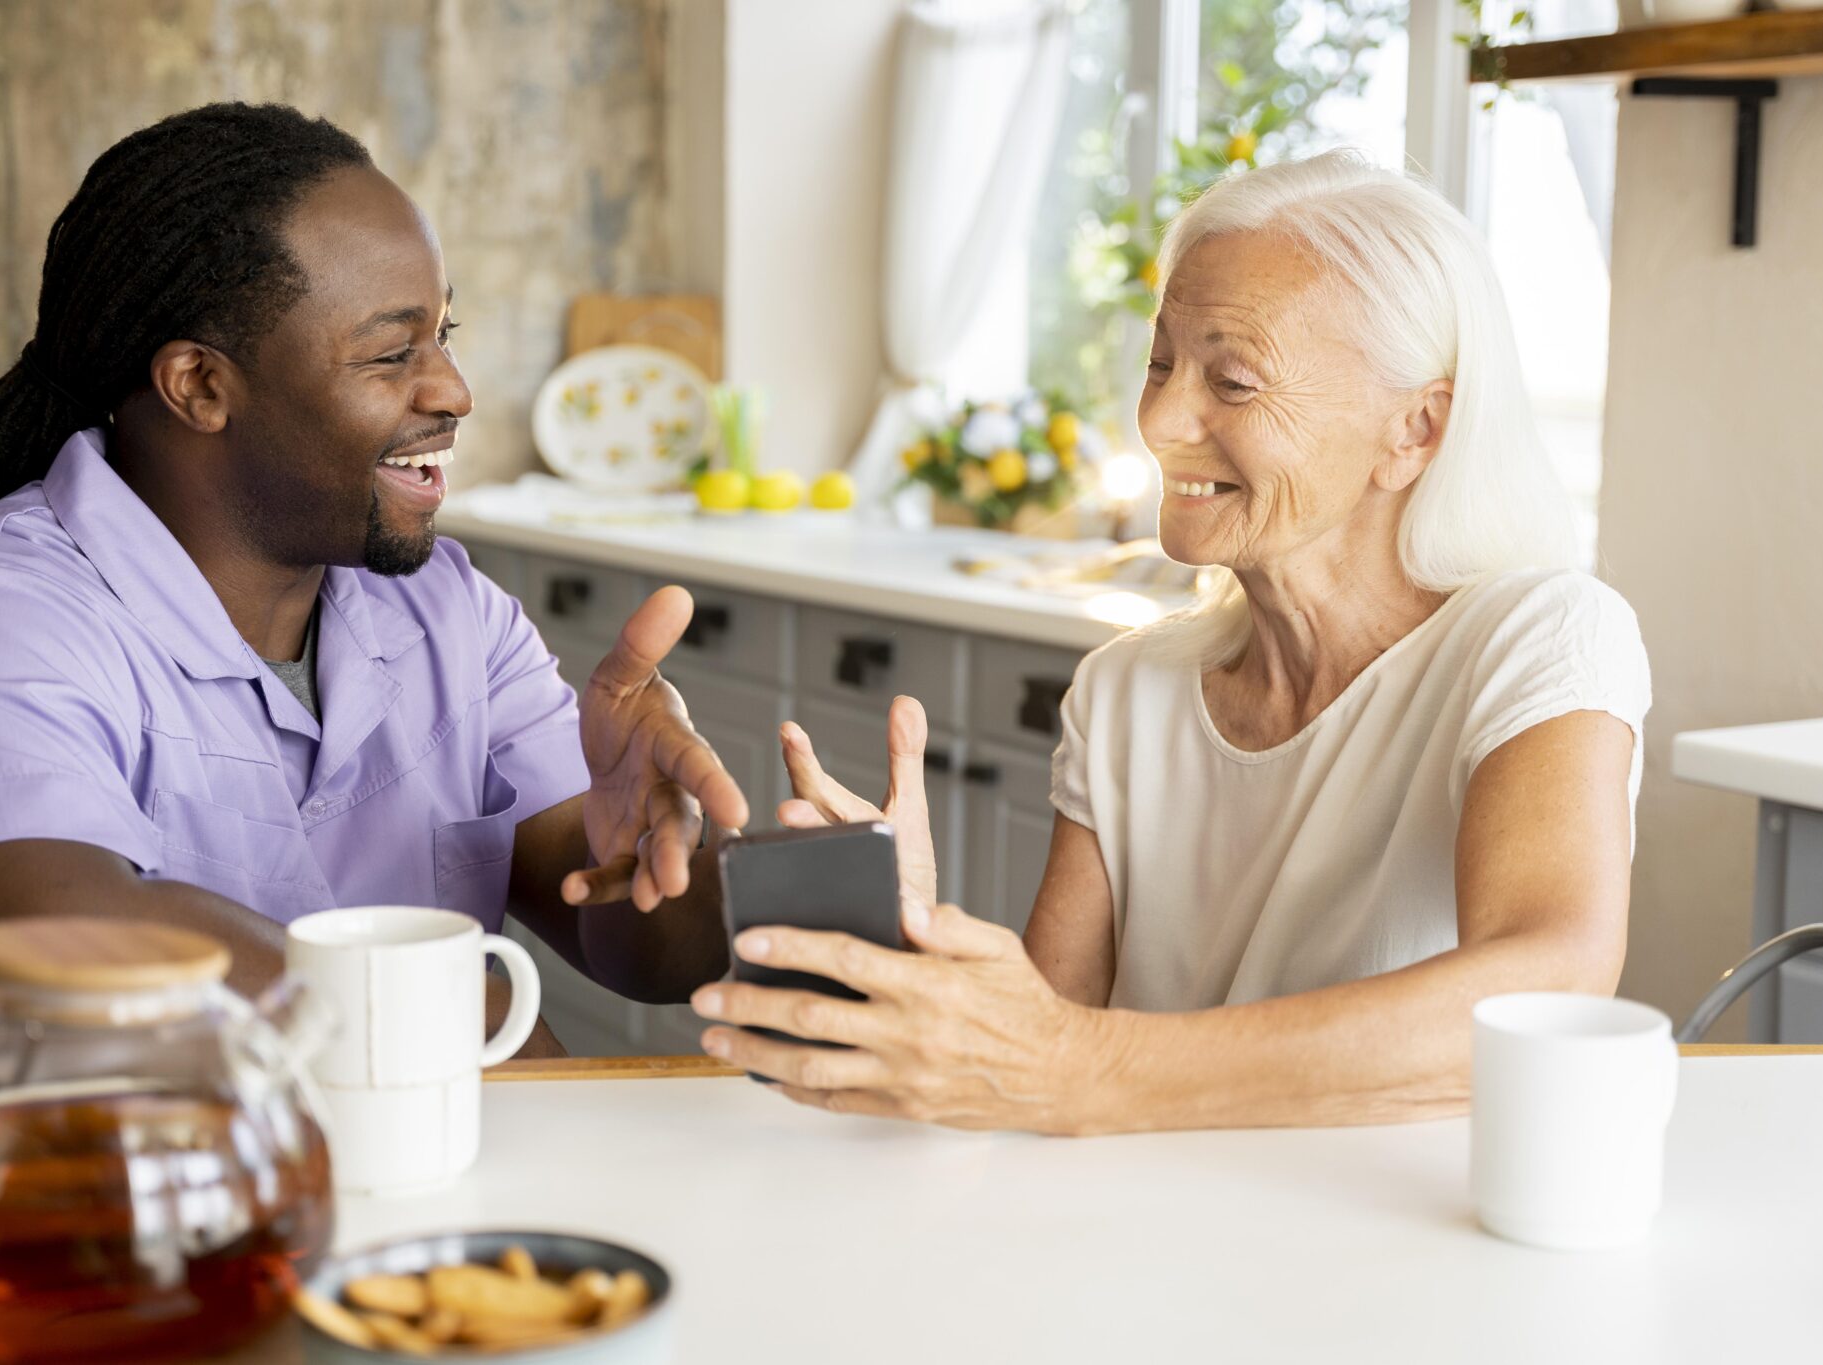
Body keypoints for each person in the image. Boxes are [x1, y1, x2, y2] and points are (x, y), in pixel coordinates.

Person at [689, 152, 1652, 1133]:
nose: (1157, 420)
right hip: (1136, 1247)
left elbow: (1549, 984)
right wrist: (923, 956)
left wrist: (1079, 1066)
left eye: (1230, 381)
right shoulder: (1125, 690)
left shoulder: (1539, 639)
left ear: (1412, 429)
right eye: (1158, 364)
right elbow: (1037, 1062)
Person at [0, 104, 745, 1070]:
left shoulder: (448, 614)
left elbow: (618, 932)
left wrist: (718, 870)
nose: (455, 390)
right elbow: (50, 952)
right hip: (78, 1210)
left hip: (419, 1203)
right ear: (200, 386)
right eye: (392, 354)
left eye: (444, 334)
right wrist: (448, 1012)